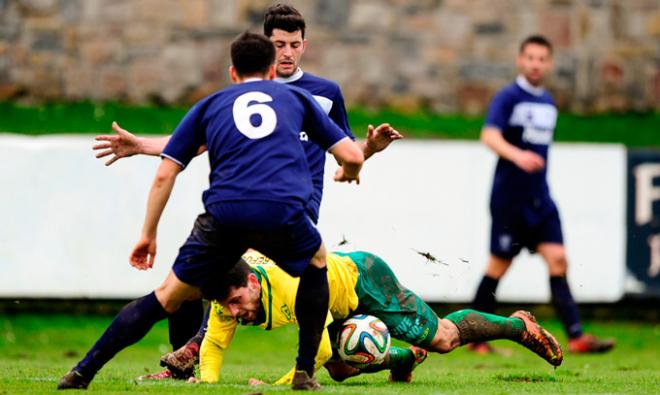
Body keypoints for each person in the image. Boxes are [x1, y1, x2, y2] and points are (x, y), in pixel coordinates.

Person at [93, 3, 402, 381]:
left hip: (294, 209)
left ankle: (200, 356)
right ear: (269, 51)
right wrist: (142, 145)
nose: (287, 52)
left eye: (294, 44)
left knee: (223, 282)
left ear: (305, 45)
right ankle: (195, 363)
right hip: (259, 205)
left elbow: (346, 155)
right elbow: (195, 142)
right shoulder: (241, 96)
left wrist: (368, 150)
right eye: (279, 44)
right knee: (200, 286)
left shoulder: (322, 93)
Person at [186, 249, 562, 386]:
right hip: (335, 303)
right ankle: (401, 360)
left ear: (253, 282)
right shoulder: (226, 293)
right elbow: (215, 342)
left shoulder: (288, 285)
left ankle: (517, 326)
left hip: (365, 279)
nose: (234, 313)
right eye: (227, 307)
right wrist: (207, 382)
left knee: (444, 339)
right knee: (340, 369)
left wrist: (275, 386)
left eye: (237, 302)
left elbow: (311, 352)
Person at [469, 35, 615, 354]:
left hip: (541, 199)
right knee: (499, 265)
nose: (535, 64)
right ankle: (474, 339)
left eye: (542, 59)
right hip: (510, 199)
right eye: (530, 58)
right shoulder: (508, 97)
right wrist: (517, 155)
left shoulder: (548, 102)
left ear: (549, 63)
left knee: (559, 260)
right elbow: (489, 135)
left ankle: (576, 337)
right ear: (520, 60)